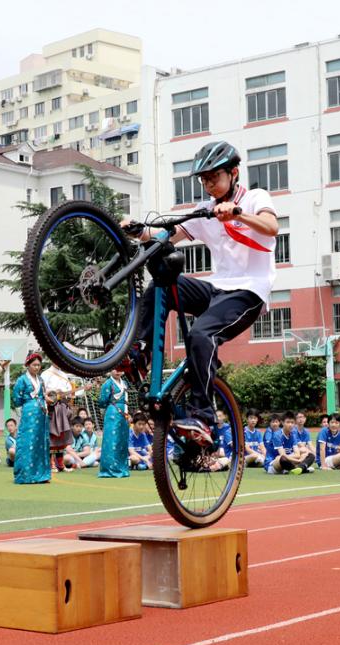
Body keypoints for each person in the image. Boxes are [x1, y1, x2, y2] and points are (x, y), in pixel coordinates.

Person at [123, 140, 279, 446]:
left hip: (249, 292)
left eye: (213, 177)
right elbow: (168, 235)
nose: (208, 184)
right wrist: (138, 231)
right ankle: (139, 350)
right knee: (161, 286)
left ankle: (205, 418)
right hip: (216, 288)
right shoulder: (205, 211)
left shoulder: (254, 198)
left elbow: (271, 226)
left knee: (199, 335)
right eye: (203, 179)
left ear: (233, 173)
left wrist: (236, 213)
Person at [12, 352, 51, 484]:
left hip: (41, 413)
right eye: (34, 365)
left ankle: (41, 474)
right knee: (28, 441)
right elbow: (16, 399)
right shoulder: (22, 380)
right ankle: (26, 474)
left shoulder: (41, 380)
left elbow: (43, 395)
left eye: (39, 365)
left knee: (40, 442)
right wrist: (28, 402)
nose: (36, 367)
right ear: (27, 365)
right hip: (29, 413)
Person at [97, 367, 130, 479]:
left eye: (120, 369)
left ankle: (121, 467)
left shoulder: (124, 383)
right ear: (111, 370)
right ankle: (109, 469)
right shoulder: (107, 383)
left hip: (124, 413)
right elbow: (102, 401)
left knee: (122, 440)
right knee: (112, 440)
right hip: (112, 413)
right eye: (115, 369)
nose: (118, 371)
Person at [41, 363, 75, 473]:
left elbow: (70, 392)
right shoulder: (45, 374)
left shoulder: (64, 375)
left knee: (62, 436)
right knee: (52, 435)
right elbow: (42, 392)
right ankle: (51, 464)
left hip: (62, 406)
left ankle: (60, 464)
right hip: (51, 408)